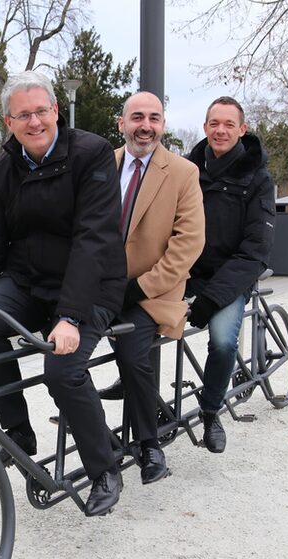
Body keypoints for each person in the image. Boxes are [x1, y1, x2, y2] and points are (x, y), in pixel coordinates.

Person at [0, 70, 128, 517]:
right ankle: (18, 434)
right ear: (9, 122)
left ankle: (105, 466)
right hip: (28, 281)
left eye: (41, 111)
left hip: (91, 284)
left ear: (56, 111)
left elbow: (92, 239)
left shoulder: (92, 154)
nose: (34, 121)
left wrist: (71, 316)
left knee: (61, 371)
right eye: (23, 115)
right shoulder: (5, 169)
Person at [95, 92, 205, 484]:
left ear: (163, 124)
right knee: (61, 351)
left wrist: (140, 287)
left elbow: (188, 244)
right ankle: (96, 430)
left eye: (154, 118)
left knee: (131, 351)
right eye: (137, 116)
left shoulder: (182, 172)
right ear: (121, 122)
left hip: (153, 292)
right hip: (100, 287)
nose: (146, 125)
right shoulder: (102, 164)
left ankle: (148, 444)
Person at [185, 96, 276, 453]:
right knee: (135, 317)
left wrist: (212, 298)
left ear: (242, 129)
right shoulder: (188, 170)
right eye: (213, 124)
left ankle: (210, 411)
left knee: (222, 340)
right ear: (205, 127)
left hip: (231, 278)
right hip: (189, 273)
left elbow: (255, 250)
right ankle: (131, 388)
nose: (220, 131)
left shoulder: (257, 178)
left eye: (228, 124)